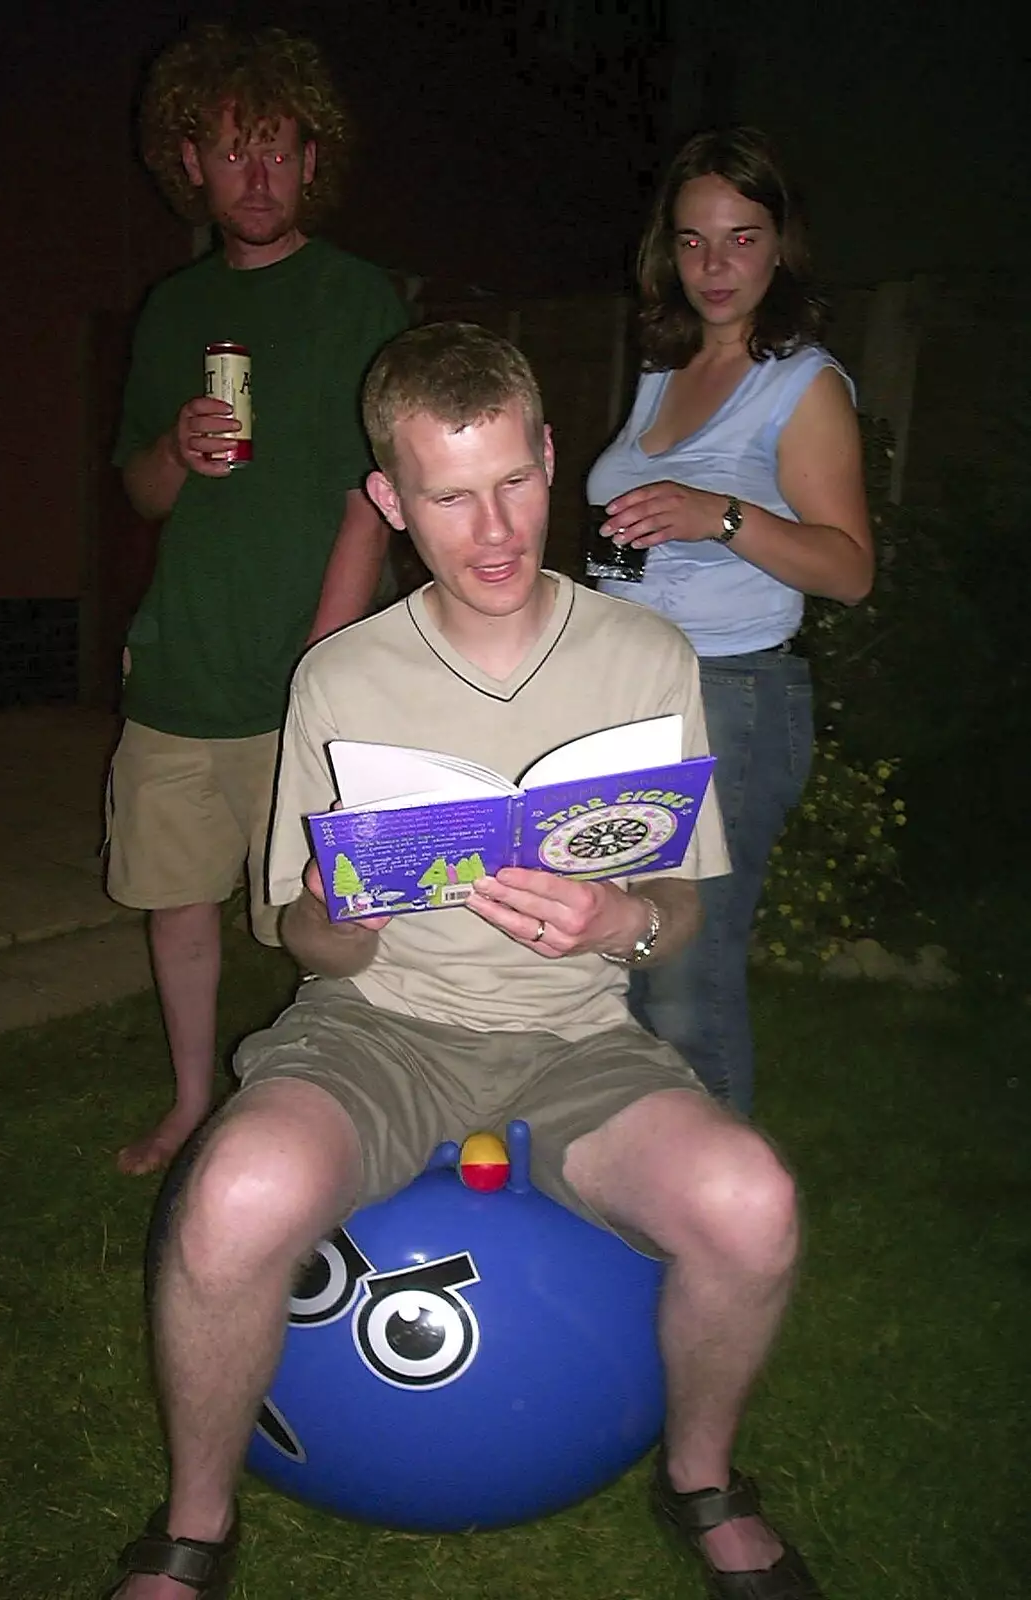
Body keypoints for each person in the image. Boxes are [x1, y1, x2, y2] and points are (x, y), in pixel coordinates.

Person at [103, 323, 828, 1600]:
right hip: (381, 1026)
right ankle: (196, 1529)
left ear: (551, 458)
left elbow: (682, 910)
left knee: (752, 1202)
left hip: (575, 1038)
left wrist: (621, 925)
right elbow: (304, 938)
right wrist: (342, 903)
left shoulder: (644, 654)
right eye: (447, 496)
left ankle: (701, 1478)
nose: (493, 530)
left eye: (515, 482)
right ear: (390, 501)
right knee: (233, 1192)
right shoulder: (342, 674)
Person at [105, 25, 408, 1176]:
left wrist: (324, 663)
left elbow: (369, 495)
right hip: (182, 664)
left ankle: (332, 1111)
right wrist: (177, 449)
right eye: (232, 153)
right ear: (190, 162)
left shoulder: (356, 297)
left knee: (324, 926)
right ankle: (192, 1104)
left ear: (311, 155)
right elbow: (137, 490)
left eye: (277, 149)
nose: (258, 177)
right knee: (175, 905)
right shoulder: (172, 308)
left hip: (308, 673)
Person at [586, 127, 873, 1115]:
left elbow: (848, 570)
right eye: (694, 240)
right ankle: (632, 1192)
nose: (715, 266)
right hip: (625, 696)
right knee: (617, 959)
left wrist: (722, 516)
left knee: (683, 981)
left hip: (728, 698)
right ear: (666, 248)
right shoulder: (663, 367)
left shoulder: (801, 383)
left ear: (780, 245)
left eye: (741, 239)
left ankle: (721, 1228)